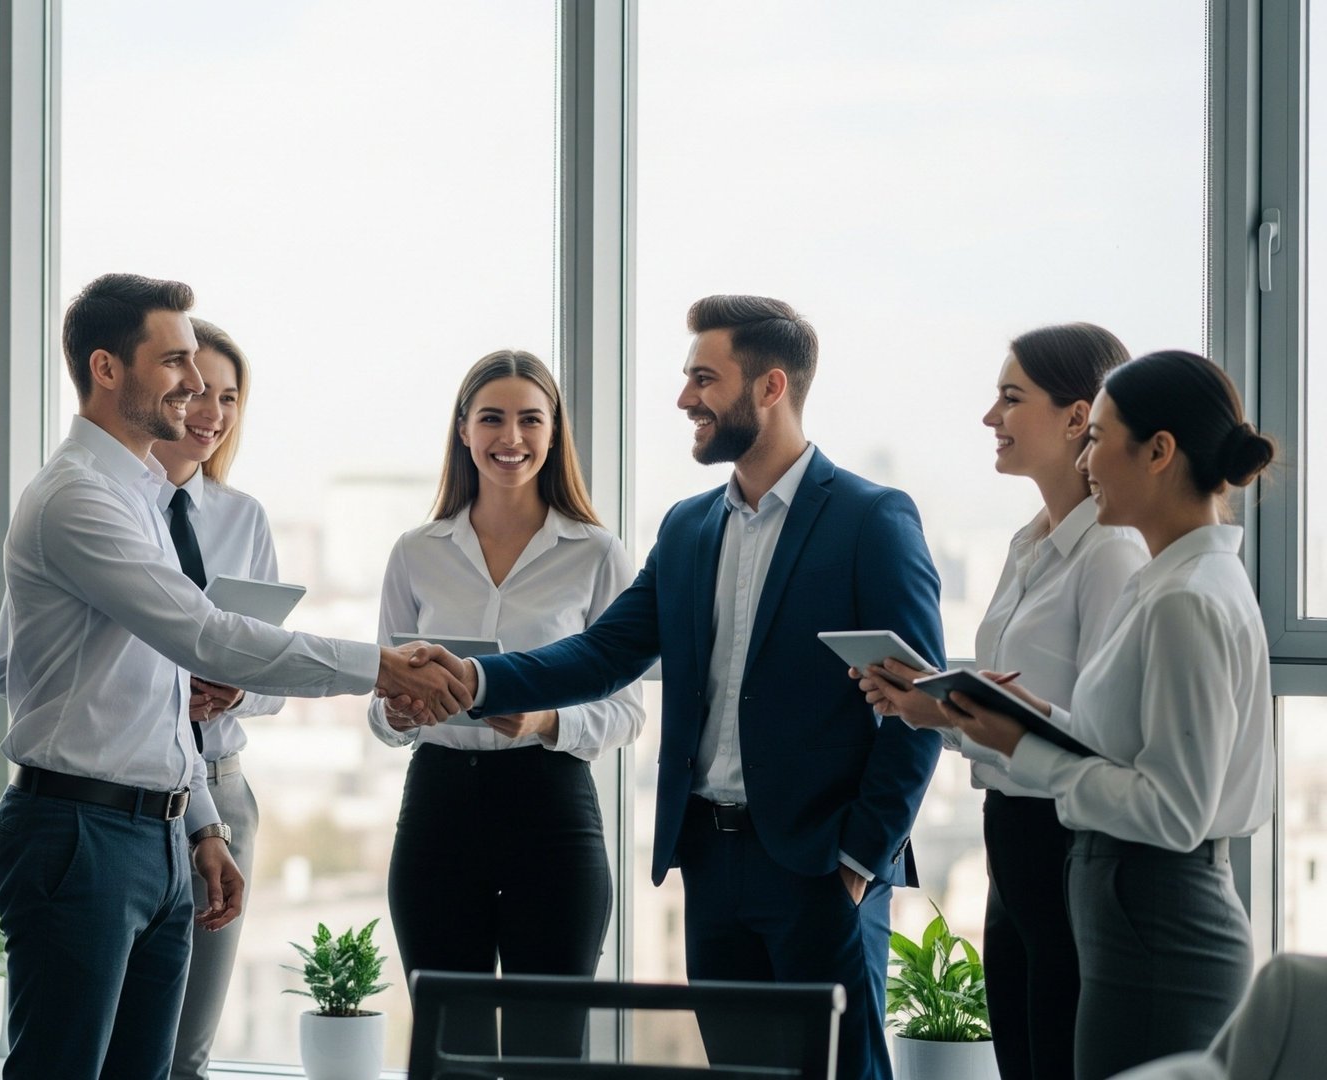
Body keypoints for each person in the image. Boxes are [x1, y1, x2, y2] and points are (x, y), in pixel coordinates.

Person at [404, 295, 944, 1080]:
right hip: (710, 862)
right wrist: (479, 678)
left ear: (770, 387)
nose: (684, 398)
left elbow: (920, 705)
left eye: (703, 378)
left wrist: (862, 855)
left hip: (820, 866)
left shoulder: (872, 518)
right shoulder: (688, 527)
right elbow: (602, 653)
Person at [0, 272, 471, 1080]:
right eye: (174, 361)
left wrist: (202, 824)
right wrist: (380, 667)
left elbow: (159, 693)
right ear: (108, 369)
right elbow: (205, 636)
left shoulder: (140, 494)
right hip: (79, 836)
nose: (193, 382)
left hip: (158, 832)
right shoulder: (79, 499)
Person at [934, 350, 1276, 1080]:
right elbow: (1130, 746)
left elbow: (1175, 810)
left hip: (1159, 911)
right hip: (1134, 906)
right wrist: (1038, 715)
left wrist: (1029, 748)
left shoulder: (1186, 597)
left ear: (1159, 453)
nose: (1085, 459)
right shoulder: (1168, 581)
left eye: (1099, 437)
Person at [856, 323, 1147, 1080]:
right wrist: (935, 706)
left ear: (1078, 417)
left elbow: (1102, 738)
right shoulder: (1027, 545)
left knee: (1055, 1052)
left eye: (1011, 398)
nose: (991, 418)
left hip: (1067, 841)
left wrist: (946, 716)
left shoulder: (1109, 554)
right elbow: (1015, 708)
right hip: (1010, 835)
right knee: (1020, 1053)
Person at [371, 350, 643, 1059]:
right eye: (491, 418)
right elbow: (380, 698)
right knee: (446, 1046)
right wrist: (398, 714)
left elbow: (630, 706)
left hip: (549, 809)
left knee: (546, 1050)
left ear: (553, 434)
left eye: (530, 419)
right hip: (437, 808)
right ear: (463, 430)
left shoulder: (596, 553)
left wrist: (547, 720)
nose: (510, 437)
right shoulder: (415, 551)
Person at [149, 318, 283, 1080]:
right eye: (198, 390)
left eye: (229, 397)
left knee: (188, 1049)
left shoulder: (243, 519)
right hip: (129, 793)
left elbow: (268, 680)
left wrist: (237, 690)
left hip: (222, 798)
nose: (213, 411)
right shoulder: (106, 511)